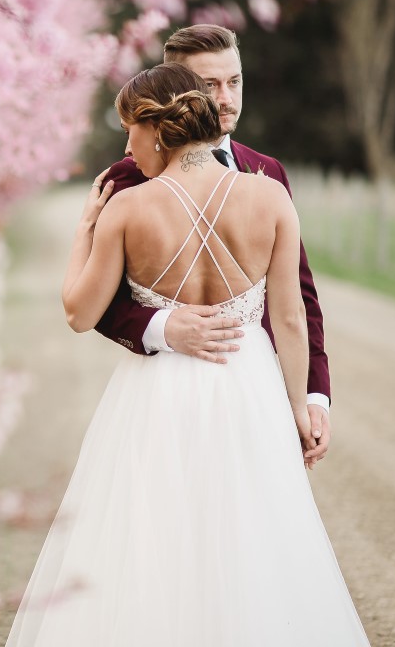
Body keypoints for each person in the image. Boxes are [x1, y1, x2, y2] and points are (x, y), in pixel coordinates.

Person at [4, 62, 368, 645]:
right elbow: (290, 318)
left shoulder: (126, 209)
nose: (127, 147)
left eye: (130, 131)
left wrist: (84, 231)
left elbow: (79, 312)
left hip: (158, 394)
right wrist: (300, 408)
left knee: (153, 535)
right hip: (249, 387)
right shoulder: (270, 196)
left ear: (156, 129)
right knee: (255, 535)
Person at [94, 24, 332, 469]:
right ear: (176, 91)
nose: (226, 98)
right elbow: (98, 299)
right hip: (163, 387)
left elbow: (299, 298)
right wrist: (162, 327)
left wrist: (312, 395)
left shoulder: (267, 171)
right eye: (210, 85)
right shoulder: (127, 177)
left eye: (234, 81)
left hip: (254, 388)